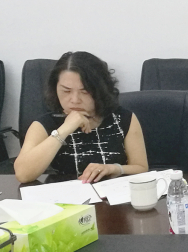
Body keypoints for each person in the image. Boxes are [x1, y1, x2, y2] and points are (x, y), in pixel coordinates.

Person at [14, 51, 148, 184]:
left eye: (85, 92)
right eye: (66, 91)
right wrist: (64, 129)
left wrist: (114, 168)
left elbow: (141, 168)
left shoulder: (122, 118)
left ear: (100, 90)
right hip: (66, 195)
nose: (75, 100)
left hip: (113, 194)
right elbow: (23, 175)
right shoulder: (45, 124)